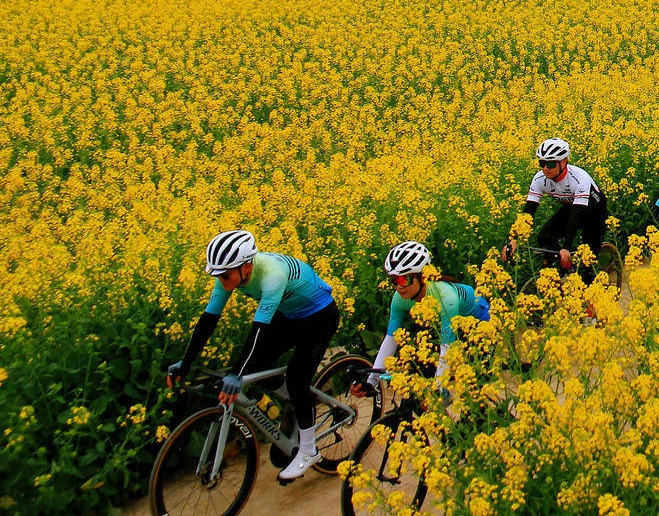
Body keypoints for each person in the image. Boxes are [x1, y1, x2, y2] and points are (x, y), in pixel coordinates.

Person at [167, 229, 340, 482]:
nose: (221, 280)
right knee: (256, 368)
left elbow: (259, 330)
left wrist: (237, 375)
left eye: (224, 275)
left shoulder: (273, 275)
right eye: (216, 275)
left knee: (296, 378)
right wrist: (186, 362)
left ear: (246, 267)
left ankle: (309, 449)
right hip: (291, 315)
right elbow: (208, 320)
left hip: (319, 317)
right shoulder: (229, 273)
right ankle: (294, 402)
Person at [357, 241, 490, 394]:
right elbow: (391, 338)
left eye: (404, 279)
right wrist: (371, 382)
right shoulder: (400, 298)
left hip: (481, 322)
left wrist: (438, 388)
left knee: (474, 386)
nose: (399, 286)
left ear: (423, 277)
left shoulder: (446, 297)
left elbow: (447, 346)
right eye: (394, 280)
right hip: (451, 327)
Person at [501, 138, 608, 287]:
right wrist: (513, 239)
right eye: (541, 163)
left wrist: (566, 247)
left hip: (594, 211)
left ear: (563, 162)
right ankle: (564, 270)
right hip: (572, 206)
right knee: (544, 238)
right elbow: (528, 212)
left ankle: (592, 297)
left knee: (587, 261)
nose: (545, 168)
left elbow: (576, 218)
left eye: (550, 164)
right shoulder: (540, 179)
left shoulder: (579, 179)